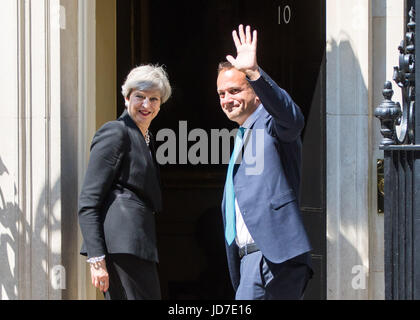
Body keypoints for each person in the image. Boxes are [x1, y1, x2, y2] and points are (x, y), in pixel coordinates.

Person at [217, 25, 313, 300]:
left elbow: (292, 118)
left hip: (273, 257)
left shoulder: (271, 123)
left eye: (234, 90)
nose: (227, 100)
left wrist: (255, 73)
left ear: (257, 93)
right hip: (251, 260)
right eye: (221, 94)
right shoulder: (242, 136)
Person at [78, 64, 172, 300]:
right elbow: (89, 201)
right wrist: (96, 259)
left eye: (154, 99)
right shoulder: (116, 132)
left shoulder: (144, 138)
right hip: (121, 246)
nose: (146, 105)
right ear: (127, 97)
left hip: (138, 244)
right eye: (140, 97)